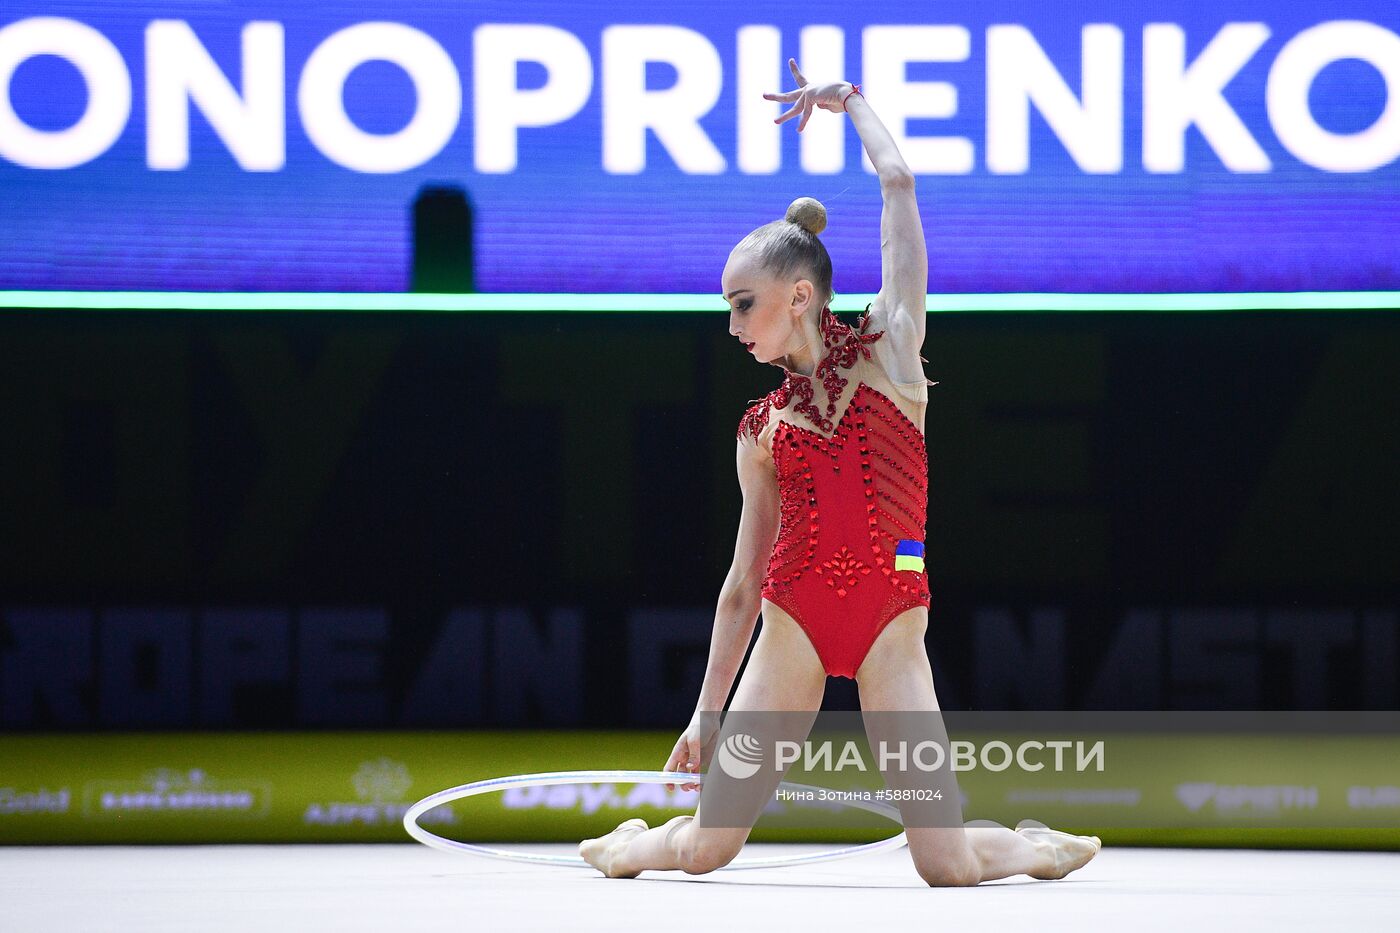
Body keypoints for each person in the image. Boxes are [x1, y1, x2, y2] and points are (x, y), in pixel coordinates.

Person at [580, 59, 1101, 885]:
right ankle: (627, 844)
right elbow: (742, 584)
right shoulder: (761, 428)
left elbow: (898, 183)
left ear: (798, 296)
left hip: (891, 623)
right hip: (794, 624)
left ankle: (1035, 846)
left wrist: (849, 101)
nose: (731, 325)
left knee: (947, 864)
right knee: (708, 848)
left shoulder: (892, 356)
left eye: (741, 304)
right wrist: (706, 713)